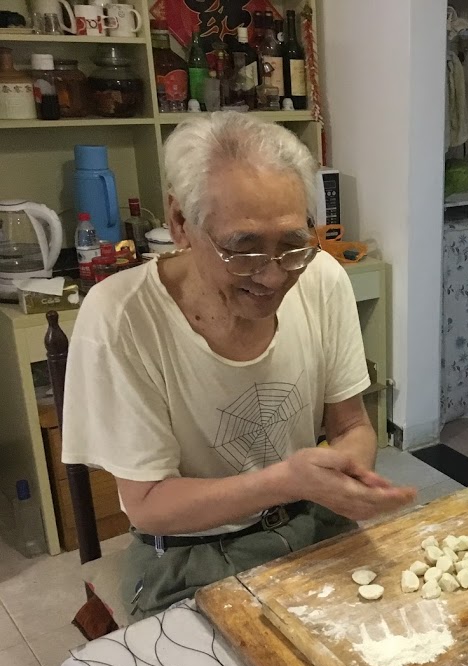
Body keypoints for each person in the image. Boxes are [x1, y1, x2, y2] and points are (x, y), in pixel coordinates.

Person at [62, 112, 416, 618]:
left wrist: (351, 476)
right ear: (181, 222)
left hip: (310, 521)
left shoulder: (322, 280)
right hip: (187, 555)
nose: (273, 276)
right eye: (243, 250)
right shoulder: (121, 316)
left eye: (293, 244)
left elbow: (352, 424)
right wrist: (287, 481)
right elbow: (147, 503)